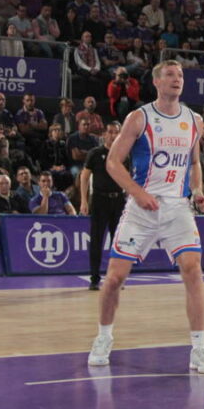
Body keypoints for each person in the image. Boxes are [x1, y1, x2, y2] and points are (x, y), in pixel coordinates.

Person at [87, 60, 204, 375]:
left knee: (193, 270)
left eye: (181, 75)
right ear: (157, 82)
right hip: (141, 207)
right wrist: (137, 192)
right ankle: (103, 337)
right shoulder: (138, 118)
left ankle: (199, 348)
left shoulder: (194, 121)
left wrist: (197, 190)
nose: (177, 79)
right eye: (170, 75)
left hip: (177, 208)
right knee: (115, 278)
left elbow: (195, 162)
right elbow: (113, 163)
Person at [80, 121, 126, 291]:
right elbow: (84, 177)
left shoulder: (124, 154)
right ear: (104, 134)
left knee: (119, 241)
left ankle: (117, 278)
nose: (113, 135)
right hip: (99, 199)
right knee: (97, 240)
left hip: (119, 200)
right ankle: (94, 278)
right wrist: (84, 200)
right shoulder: (95, 153)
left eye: (116, 132)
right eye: (110, 132)